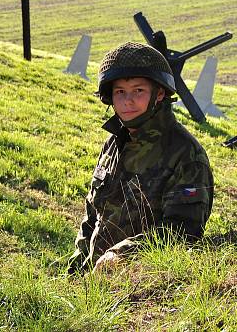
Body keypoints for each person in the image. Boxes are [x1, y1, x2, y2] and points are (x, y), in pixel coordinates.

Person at [68, 41, 214, 274]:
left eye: (138, 90)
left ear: (159, 94)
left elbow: (183, 231)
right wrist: (76, 272)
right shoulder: (114, 144)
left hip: (145, 290)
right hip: (94, 287)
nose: (128, 101)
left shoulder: (185, 153)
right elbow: (92, 216)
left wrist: (121, 256)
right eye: (120, 92)